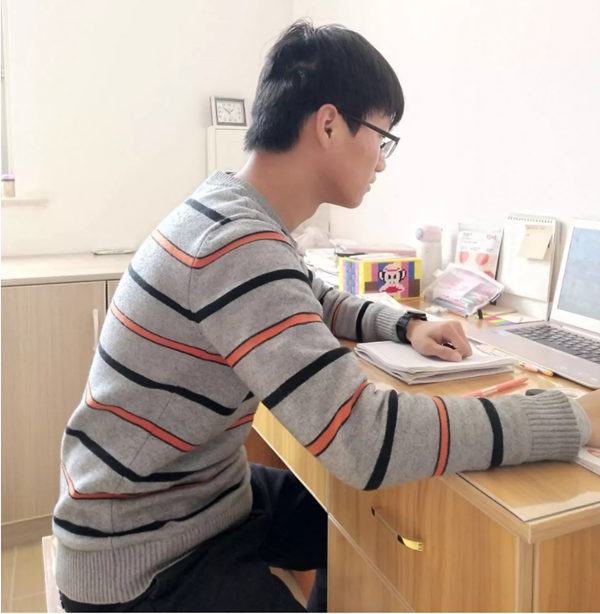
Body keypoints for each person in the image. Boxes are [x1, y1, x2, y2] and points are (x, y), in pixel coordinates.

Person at [54, 20, 599, 613]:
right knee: (360, 498)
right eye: (383, 138)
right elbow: (364, 439)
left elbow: (311, 294)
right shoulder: (238, 246)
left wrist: (406, 325)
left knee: (355, 518)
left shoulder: (232, 213)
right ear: (330, 124)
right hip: (143, 555)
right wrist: (570, 418)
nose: (382, 164)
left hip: (196, 498)